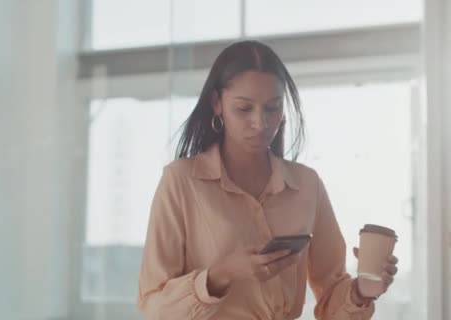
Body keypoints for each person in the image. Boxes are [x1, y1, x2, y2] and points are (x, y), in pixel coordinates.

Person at [137, 40, 399, 320]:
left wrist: (361, 292)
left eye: (272, 108)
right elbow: (155, 309)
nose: (260, 123)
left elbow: (331, 304)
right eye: (244, 109)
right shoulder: (181, 181)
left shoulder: (307, 185)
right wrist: (222, 274)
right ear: (217, 104)